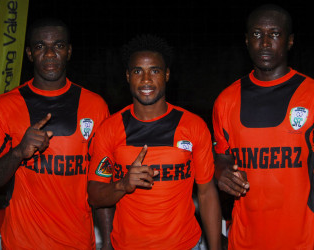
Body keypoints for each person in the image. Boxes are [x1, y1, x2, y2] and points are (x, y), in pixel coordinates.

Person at [212, 4, 314, 250]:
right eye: (257, 34)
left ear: (290, 41)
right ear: (247, 40)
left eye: (274, 34)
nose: (265, 43)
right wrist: (222, 174)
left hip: (302, 241)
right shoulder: (226, 101)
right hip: (243, 241)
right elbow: (221, 158)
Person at [0, 18, 111, 249]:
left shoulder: (95, 106)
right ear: (29, 53)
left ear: (69, 51)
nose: (50, 54)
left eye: (58, 46)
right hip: (22, 243)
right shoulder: (4, 106)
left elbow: (101, 180)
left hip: (77, 243)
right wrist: (18, 152)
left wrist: (109, 242)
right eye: (41, 47)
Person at [87, 34, 222, 249]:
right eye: (138, 71)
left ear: (167, 75)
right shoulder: (110, 129)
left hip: (185, 244)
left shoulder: (193, 126)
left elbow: (206, 193)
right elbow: (94, 196)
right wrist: (123, 184)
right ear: (128, 76)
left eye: (155, 71)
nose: (146, 79)